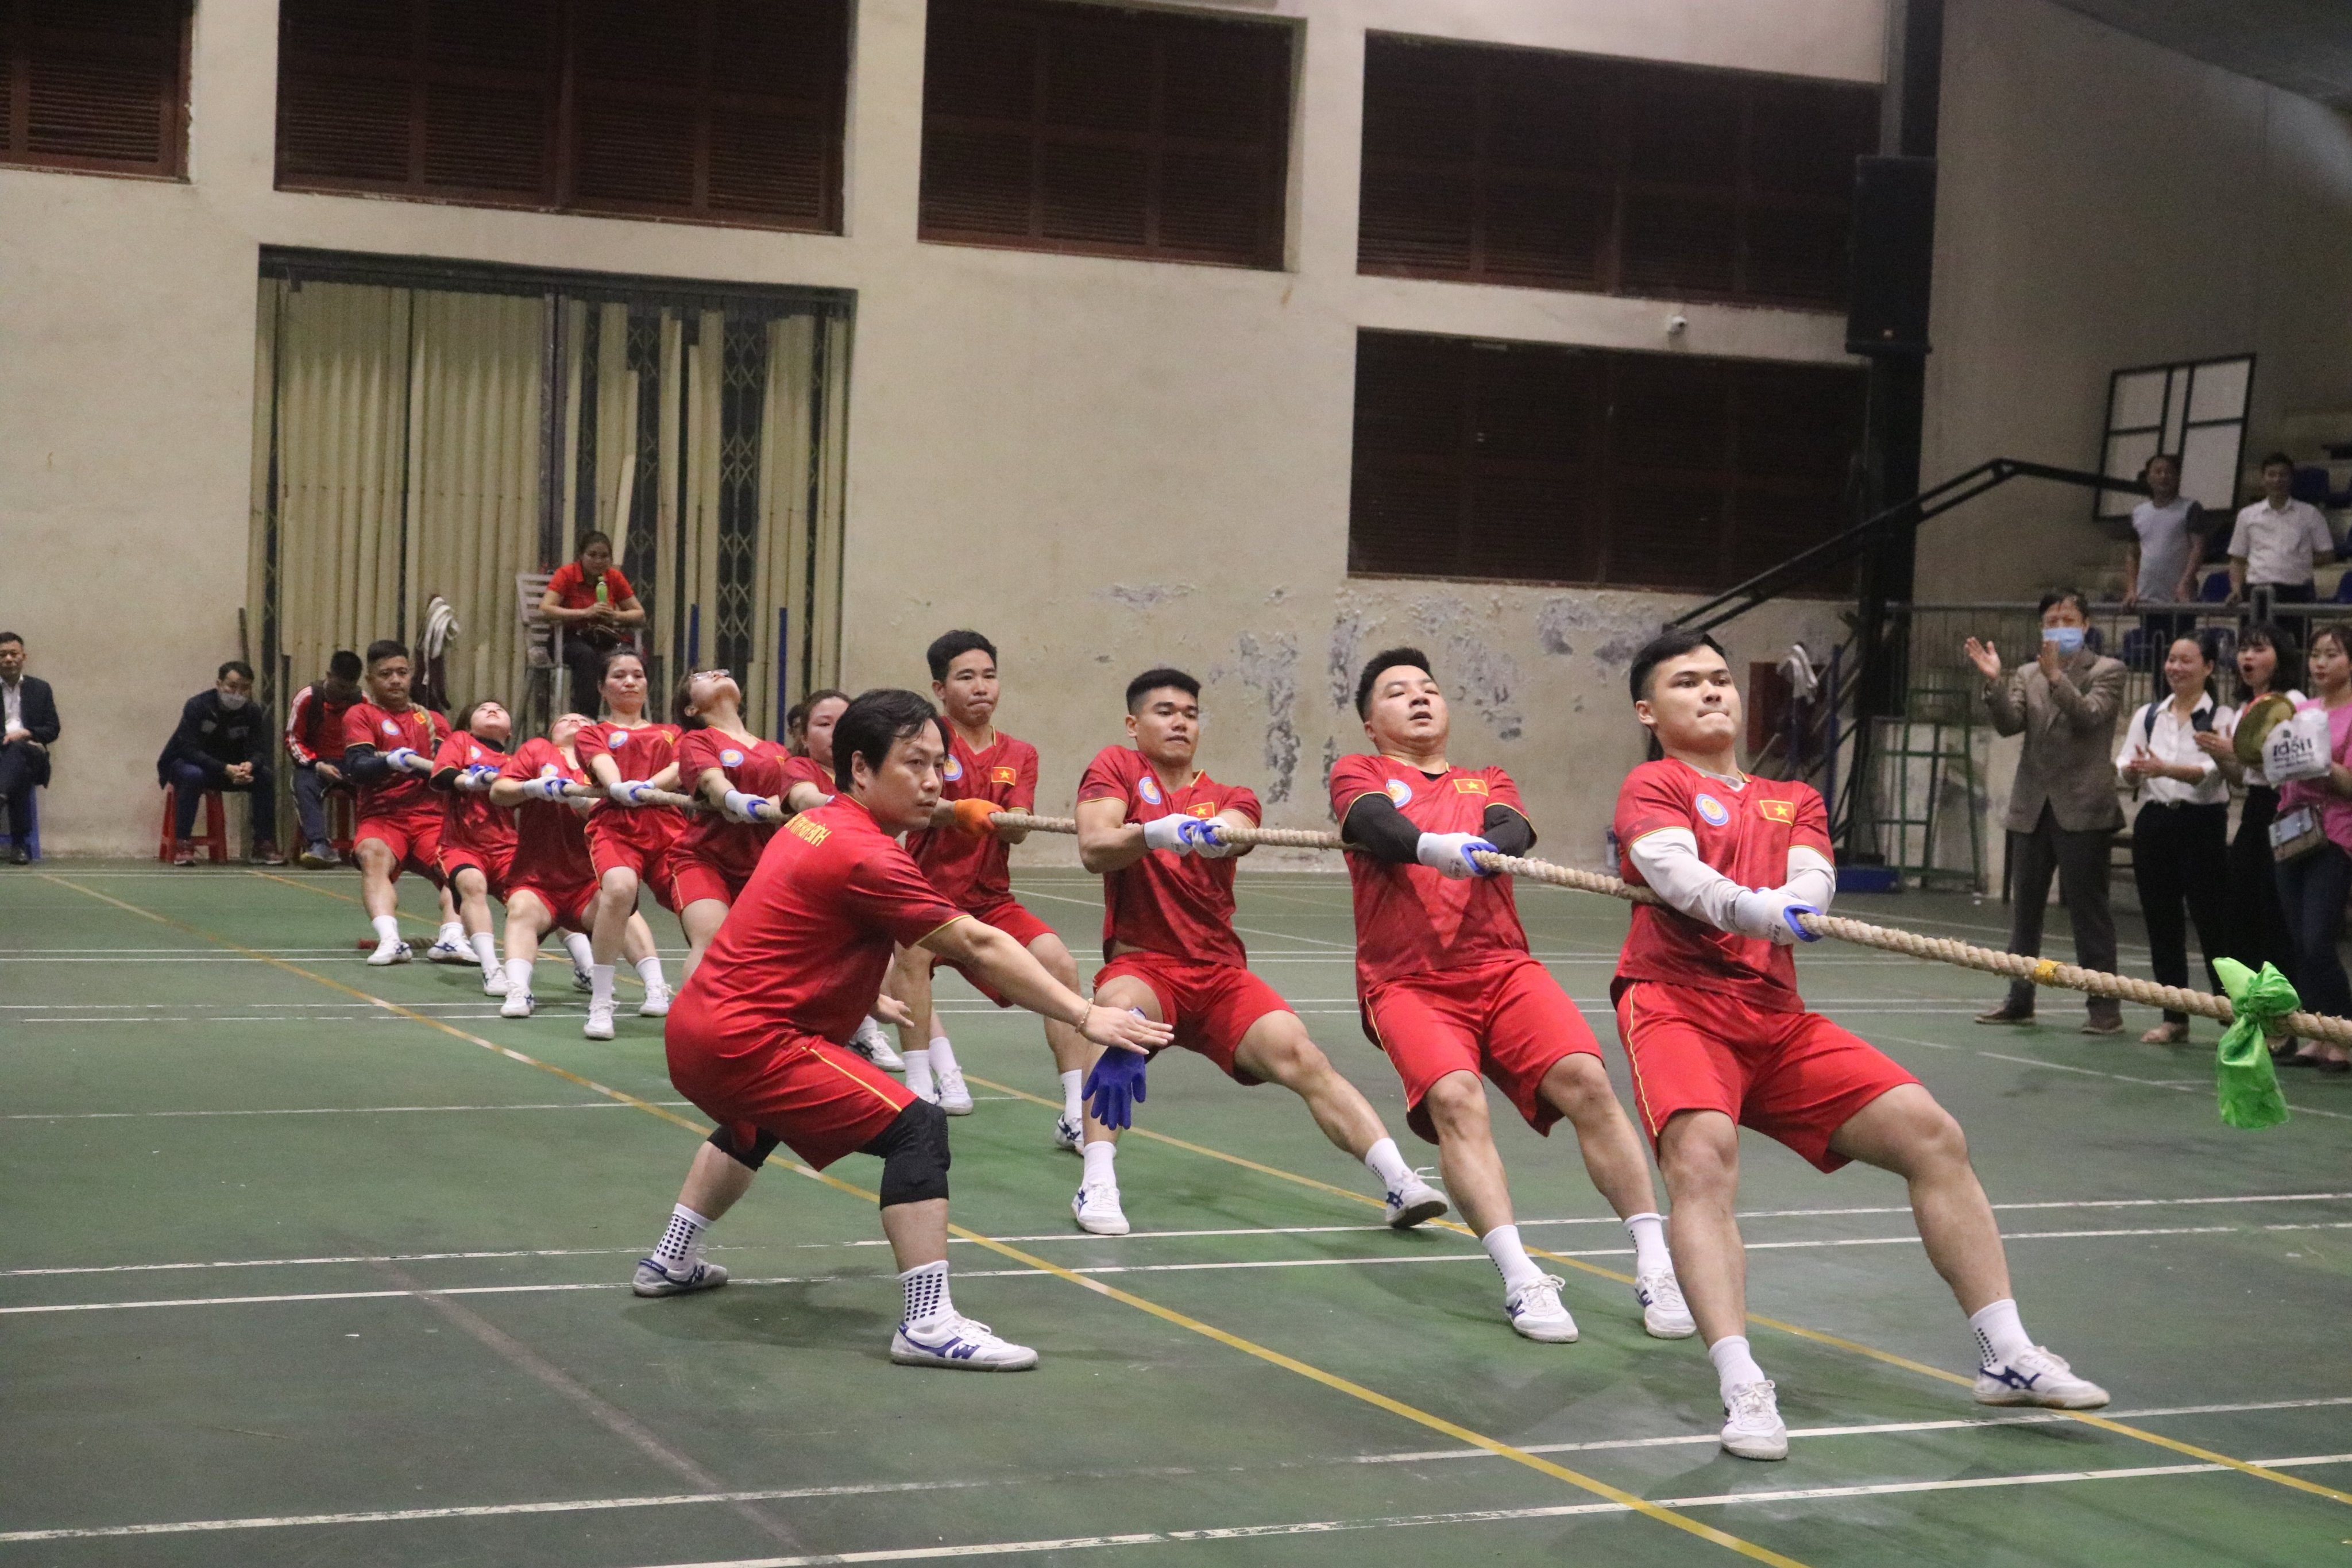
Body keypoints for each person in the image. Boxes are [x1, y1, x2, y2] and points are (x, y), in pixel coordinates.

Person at [1611, 627, 2107, 1462]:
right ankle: (1741, 1383)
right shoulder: (1653, 784)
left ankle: (2006, 1354)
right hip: (1676, 1005)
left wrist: (1798, 903)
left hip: (1775, 1015)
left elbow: (1813, 874)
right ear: (1647, 711)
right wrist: (1755, 909)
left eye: (1719, 677)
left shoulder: (1790, 796)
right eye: (1685, 681)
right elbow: (1675, 874)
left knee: (1931, 1136)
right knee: (1701, 1160)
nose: (1711, 690)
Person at [634, 688, 1172, 1371]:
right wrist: (1085, 1013)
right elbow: (977, 943)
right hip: (750, 1042)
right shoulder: (868, 856)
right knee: (917, 1128)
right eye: (914, 764)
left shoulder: (815, 822)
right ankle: (928, 1321)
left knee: (757, 1123)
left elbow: (805, 934)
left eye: (939, 764)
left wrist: (862, 994)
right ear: (860, 769)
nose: (933, 780)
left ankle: (672, 1258)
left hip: (701, 1030)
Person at [1331, 648, 1693, 1345]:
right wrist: (1434, 848)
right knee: (1456, 1099)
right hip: (1407, 982)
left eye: (1429, 688)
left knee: (1588, 1081)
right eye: (1397, 692)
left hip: (1502, 970)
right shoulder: (1361, 772)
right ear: (1371, 725)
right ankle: (1521, 1276)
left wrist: (1476, 843)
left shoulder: (1486, 778)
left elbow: (1513, 831)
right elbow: (1376, 823)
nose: (1419, 698)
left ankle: (1656, 1262)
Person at [1056, 667, 1447, 1237]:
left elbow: (1237, 826)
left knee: (1303, 1056)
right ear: (1133, 724)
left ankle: (1398, 1182)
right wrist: (1159, 832)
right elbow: (1095, 846)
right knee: (1116, 1020)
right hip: (1145, 969)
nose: (1180, 722)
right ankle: (1096, 1181)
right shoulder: (1117, 766)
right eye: (1165, 712)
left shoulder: (1230, 795)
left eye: (1190, 714)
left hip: (1220, 976)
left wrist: (1218, 833)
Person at [892, 631, 1079, 1127]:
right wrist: (960, 811)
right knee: (910, 956)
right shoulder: (925, 743)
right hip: (926, 895)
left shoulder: (1020, 753)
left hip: (991, 900)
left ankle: (1076, 1109)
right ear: (940, 688)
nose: (981, 687)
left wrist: (1014, 821)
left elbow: (1018, 825)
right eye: (966, 677)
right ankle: (919, 1088)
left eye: (989, 676)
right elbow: (913, 808)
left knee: (1059, 964)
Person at [1965, 590, 2127, 1032]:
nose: (2059, 627)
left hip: (2083, 806)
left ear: (2086, 624)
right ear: (2041, 628)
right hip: (2032, 806)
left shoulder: (2108, 670)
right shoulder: (2026, 673)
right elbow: (2008, 724)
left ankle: (2104, 1008)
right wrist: (1995, 684)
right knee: (2026, 912)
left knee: (2088, 912)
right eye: (2051, 620)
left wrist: (2057, 676)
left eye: (2068, 619)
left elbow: (2090, 716)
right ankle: (2019, 999)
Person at [489, 712, 661, 1019]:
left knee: (620, 905)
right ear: (552, 731)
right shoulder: (538, 750)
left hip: (589, 881)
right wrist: (531, 788)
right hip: (537, 881)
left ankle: (656, 986)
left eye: (583, 720)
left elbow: (614, 809)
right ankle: (518, 989)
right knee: (521, 910)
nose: (574, 722)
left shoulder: (604, 762)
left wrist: (579, 801)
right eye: (565, 720)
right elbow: (499, 792)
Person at [670, 671, 821, 980]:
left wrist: (764, 807)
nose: (717, 674)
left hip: (760, 865)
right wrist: (735, 801)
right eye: (702, 677)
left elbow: (789, 797)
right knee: (712, 941)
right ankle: (693, 1013)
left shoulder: (777, 751)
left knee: (769, 956)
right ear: (691, 709)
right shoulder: (697, 740)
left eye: (721, 672)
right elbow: (712, 782)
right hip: (704, 859)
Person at [2115, 635, 2230, 1044]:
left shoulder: (2221, 716)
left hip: (2202, 823)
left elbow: (2211, 775)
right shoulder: (2149, 714)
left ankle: (2230, 1014)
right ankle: (2174, 1017)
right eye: (2171, 660)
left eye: (2186, 660)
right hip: (2155, 821)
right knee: (2160, 921)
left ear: (2209, 668)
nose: (2175, 668)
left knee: (2213, 922)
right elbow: (2125, 761)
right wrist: (2131, 771)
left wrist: (2164, 769)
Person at [2199, 624, 2305, 1059]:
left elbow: (2290, 764)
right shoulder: (2246, 708)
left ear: (2279, 657)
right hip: (2255, 811)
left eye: (2258, 649)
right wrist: (2219, 754)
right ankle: (2252, 1017)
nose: (2247, 657)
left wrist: (2237, 751)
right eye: (2243, 649)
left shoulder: (2292, 703)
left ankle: (2285, 1025)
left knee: (2275, 915)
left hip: (2287, 809)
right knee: (2240, 911)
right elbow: (2243, 778)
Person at [576, 647, 681, 1040]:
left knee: (700, 907)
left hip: (668, 827)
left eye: (637, 674)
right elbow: (601, 762)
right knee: (618, 890)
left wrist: (648, 786)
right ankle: (601, 1002)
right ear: (602, 688)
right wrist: (619, 786)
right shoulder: (593, 733)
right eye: (619, 676)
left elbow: (679, 768)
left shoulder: (672, 733)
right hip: (616, 826)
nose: (630, 682)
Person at [339, 640, 462, 966]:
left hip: (430, 818)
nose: (395, 680)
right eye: (385, 674)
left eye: (402, 672)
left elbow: (446, 774)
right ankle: (391, 941)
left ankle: (452, 938)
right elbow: (357, 768)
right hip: (382, 817)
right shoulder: (361, 715)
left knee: (460, 868)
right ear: (370, 680)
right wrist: (391, 762)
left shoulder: (433, 721)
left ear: (411, 676)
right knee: (372, 855)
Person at [2268, 624, 2352, 1072]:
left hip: (2334, 835)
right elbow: (2276, 770)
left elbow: (2349, 784)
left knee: (2319, 937)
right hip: (2291, 830)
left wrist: (2320, 763)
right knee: (2299, 940)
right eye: (2315, 654)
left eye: (2331, 654)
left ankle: (2344, 1032)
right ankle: (2317, 1034)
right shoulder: (2298, 711)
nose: (2320, 663)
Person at [156, 660, 281, 866]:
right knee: (193, 775)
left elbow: (259, 750)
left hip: (229, 770)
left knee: (265, 776)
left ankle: (263, 844)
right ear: (219, 684)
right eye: (232, 686)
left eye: (245, 688)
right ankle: (183, 843)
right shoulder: (197, 706)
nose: (238, 693)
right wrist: (224, 768)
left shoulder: (252, 711)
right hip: (187, 765)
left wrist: (250, 765)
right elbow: (188, 749)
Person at [431, 701, 516, 995]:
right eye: (483, 709)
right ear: (469, 725)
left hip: (507, 848)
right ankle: (491, 969)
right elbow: (442, 775)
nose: (492, 711)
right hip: (462, 845)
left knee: (537, 900)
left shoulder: (515, 761)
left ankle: (585, 967)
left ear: (510, 731)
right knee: (472, 884)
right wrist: (469, 782)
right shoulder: (461, 742)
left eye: (500, 709)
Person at [2227, 452, 2335, 643]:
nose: (2277, 480)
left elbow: (2328, 555)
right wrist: (2236, 589)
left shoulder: (2310, 514)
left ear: (2291, 479)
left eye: (2283, 475)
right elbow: (2237, 559)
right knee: (2254, 647)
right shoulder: (2247, 515)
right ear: (2263, 479)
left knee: (2297, 649)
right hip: (2256, 593)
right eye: (2272, 474)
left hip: (2296, 593)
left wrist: (2298, 561)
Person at [539, 531, 647, 714]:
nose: (598, 561)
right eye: (592, 555)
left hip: (603, 638)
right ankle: (588, 718)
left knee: (631, 656)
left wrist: (615, 616)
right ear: (581, 556)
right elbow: (546, 609)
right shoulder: (566, 574)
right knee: (587, 657)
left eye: (604, 556)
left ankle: (632, 715)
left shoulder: (614, 577)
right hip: (569, 639)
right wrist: (585, 613)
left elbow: (639, 614)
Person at [2119, 453, 2206, 665]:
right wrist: (2131, 590)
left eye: (2169, 472)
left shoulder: (2190, 508)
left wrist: (2185, 582)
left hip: (2180, 600)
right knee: (2156, 660)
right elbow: (2132, 554)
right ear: (2148, 477)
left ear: (2177, 477)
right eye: (2158, 472)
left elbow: (2198, 547)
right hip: (2149, 596)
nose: (2164, 476)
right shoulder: (2138, 512)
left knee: (2183, 658)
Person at [285, 650, 364, 868]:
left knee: (377, 786)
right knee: (303, 785)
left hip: (351, 763)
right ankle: (319, 845)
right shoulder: (308, 698)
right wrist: (316, 764)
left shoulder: (362, 701)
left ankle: (372, 845)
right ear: (329, 676)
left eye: (350, 688)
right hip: (316, 763)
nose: (344, 693)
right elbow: (293, 739)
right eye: (340, 687)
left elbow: (371, 739)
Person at [0, 631, 60, 865]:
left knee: (19, 753)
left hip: (33, 753)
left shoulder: (41, 689)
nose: (8, 659)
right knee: (18, 771)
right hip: (3, 754)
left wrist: (27, 733)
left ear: (23, 656)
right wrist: (8, 739)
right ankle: (19, 845)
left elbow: (53, 729)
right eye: (2, 655)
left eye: (13, 654)